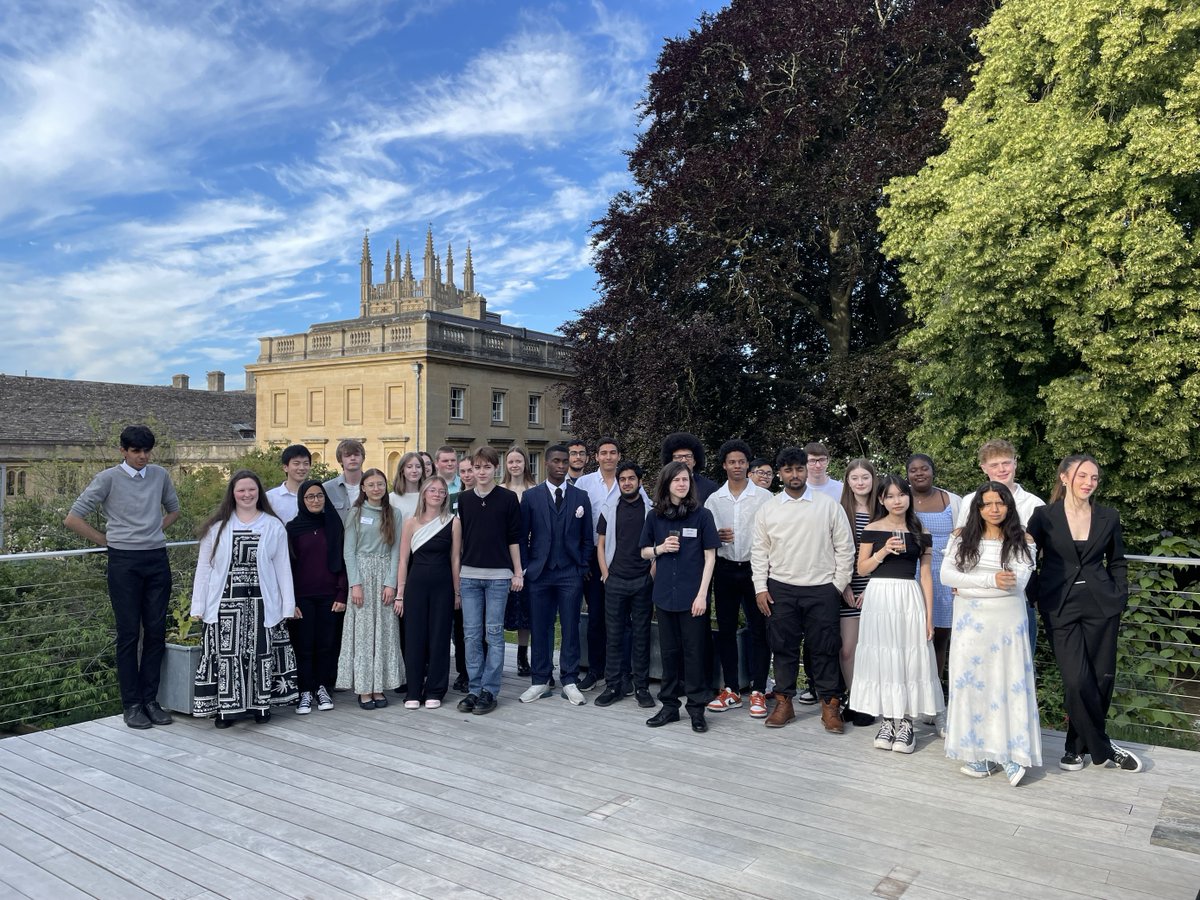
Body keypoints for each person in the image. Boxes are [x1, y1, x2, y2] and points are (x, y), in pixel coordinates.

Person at [1028, 454, 1141, 773]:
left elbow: (1117, 560)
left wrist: (1120, 595)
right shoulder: (1043, 516)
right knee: (1076, 679)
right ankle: (1105, 747)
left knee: (1101, 677)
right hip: (1059, 604)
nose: (1089, 482)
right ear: (1064, 478)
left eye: (1094, 478)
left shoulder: (1109, 516)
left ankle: (1075, 748)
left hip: (1102, 603)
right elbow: (1024, 555)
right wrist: (1034, 592)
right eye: (1082, 476)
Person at [64, 424, 180, 729]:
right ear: (123, 451)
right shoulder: (107, 479)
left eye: (146, 451)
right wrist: (108, 541)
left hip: (156, 559)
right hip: (123, 562)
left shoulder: (160, 476)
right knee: (128, 634)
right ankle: (131, 705)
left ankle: (151, 701)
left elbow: (174, 510)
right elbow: (73, 518)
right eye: (136, 451)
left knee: (156, 632)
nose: (142, 456)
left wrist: (152, 532)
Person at [941, 482, 1040, 785]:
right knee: (974, 684)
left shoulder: (1023, 540)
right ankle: (980, 754)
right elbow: (947, 576)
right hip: (969, 625)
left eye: (1000, 503)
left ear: (1009, 506)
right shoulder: (962, 538)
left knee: (1007, 682)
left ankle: (1011, 754)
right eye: (987, 504)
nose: (994, 509)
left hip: (1007, 625)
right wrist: (991, 580)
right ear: (978, 508)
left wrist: (970, 585)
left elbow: (1016, 583)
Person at [750, 447, 854, 733]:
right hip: (781, 589)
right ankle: (784, 703)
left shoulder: (827, 505)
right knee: (782, 648)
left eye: (799, 469)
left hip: (823, 588)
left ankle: (830, 706)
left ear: (806, 470)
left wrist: (837, 584)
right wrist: (760, 587)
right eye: (788, 470)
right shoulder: (769, 509)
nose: (794, 475)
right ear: (780, 473)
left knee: (825, 649)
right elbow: (760, 551)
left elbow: (845, 548)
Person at [191, 470, 299, 728]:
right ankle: (226, 711)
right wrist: (199, 604)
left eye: (251, 489)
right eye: (241, 490)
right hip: (225, 602)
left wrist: (287, 605)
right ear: (233, 494)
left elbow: (283, 568)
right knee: (227, 656)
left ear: (258, 492)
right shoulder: (217, 528)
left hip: (262, 601)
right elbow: (204, 568)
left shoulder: (273, 526)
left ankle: (260, 706)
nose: (247, 494)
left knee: (260, 653)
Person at [852, 475, 944, 754]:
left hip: (908, 596)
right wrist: (883, 551)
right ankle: (888, 720)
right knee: (883, 655)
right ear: (881, 500)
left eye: (901, 494)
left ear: (909, 497)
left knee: (908, 656)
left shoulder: (920, 530)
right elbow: (862, 569)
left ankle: (906, 722)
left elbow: (926, 575)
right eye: (890, 496)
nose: (896, 500)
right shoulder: (872, 528)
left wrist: (929, 617)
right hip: (879, 597)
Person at [640, 461, 719, 732]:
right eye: (677, 480)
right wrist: (659, 548)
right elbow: (643, 553)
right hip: (664, 595)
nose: (682, 484)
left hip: (692, 597)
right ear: (667, 484)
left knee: (695, 653)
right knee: (669, 653)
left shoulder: (702, 516)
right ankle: (670, 707)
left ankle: (697, 709)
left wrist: (702, 596)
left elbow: (710, 557)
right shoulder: (655, 517)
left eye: (686, 480)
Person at [519, 445, 594, 707]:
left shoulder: (580, 497)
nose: (562, 466)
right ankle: (540, 680)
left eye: (565, 461)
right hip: (539, 573)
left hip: (570, 572)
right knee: (541, 626)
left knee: (571, 626)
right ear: (546, 464)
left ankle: (570, 680)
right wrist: (527, 567)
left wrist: (582, 565)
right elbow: (522, 536)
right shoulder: (531, 497)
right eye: (556, 461)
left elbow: (587, 537)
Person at [955, 439, 1044, 655]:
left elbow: (1038, 553)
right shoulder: (969, 502)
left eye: (1006, 463)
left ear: (1015, 463)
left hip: (1017, 597)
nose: (1001, 470)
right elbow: (959, 544)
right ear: (984, 468)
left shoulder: (1034, 504)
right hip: (976, 596)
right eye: (994, 465)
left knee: (1018, 662)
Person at [704, 439, 772, 718]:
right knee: (727, 630)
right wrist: (717, 536)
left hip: (755, 571)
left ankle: (758, 691)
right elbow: (706, 536)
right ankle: (731, 688)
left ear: (748, 464)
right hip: (725, 568)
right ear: (724, 465)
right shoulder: (714, 499)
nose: (737, 466)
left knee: (760, 629)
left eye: (741, 462)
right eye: (731, 462)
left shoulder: (764, 498)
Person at [457, 447, 523, 715]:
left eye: (486, 467)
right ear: (471, 470)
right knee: (471, 635)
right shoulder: (463, 499)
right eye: (477, 467)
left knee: (493, 634)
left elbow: (514, 538)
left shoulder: (508, 499)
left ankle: (489, 689)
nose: (481, 472)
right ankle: (474, 689)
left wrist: (517, 572)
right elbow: (460, 542)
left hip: (498, 577)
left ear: (496, 468)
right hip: (469, 576)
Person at [576, 437, 644, 692]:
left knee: (623, 620)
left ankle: (624, 673)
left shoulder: (628, 481)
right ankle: (596, 670)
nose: (608, 457)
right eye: (603, 453)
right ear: (596, 457)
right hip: (594, 555)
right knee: (596, 617)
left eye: (612, 453)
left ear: (618, 456)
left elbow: (645, 513)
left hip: (624, 558)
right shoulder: (584, 483)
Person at [337, 468, 403, 709]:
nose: (376, 488)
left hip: (384, 571)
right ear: (363, 488)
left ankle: (379, 686)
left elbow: (396, 551)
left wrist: (390, 583)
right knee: (364, 634)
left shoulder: (393, 513)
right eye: (371, 484)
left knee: (384, 632)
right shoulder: (356, 513)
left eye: (380, 484)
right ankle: (364, 687)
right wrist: (355, 583)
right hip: (362, 575)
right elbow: (349, 551)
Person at [395, 476, 461, 710]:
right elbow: (403, 560)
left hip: (443, 585)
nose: (436, 494)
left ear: (446, 496)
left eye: (441, 491)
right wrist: (400, 594)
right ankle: (413, 689)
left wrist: (456, 592)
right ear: (424, 493)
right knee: (414, 637)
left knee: (439, 637)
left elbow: (455, 558)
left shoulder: (452, 522)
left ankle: (435, 689)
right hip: (416, 586)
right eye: (432, 490)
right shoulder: (410, 523)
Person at [595, 460, 654, 708]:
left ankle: (641, 687)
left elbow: (658, 545)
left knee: (641, 636)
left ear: (639, 481)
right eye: (623, 479)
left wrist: (652, 573)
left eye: (631, 478)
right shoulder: (609, 507)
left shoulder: (652, 510)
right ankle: (613, 685)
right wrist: (606, 574)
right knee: (614, 636)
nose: (627, 483)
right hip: (615, 580)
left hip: (642, 580)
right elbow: (600, 544)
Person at [285, 479, 348, 715]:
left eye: (319, 496)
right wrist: (290, 601)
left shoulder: (334, 525)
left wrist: (342, 593)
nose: (315, 500)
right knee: (303, 645)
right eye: (310, 497)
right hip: (301, 599)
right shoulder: (292, 528)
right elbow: (286, 567)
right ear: (302, 500)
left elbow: (343, 561)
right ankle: (304, 691)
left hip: (330, 596)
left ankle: (322, 688)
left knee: (326, 644)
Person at [907, 453, 962, 690]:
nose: (919, 473)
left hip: (944, 576)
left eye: (924, 469)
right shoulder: (900, 498)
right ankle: (910, 693)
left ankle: (934, 693)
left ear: (932, 471)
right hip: (911, 573)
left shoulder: (951, 501)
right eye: (914, 470)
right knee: (910, 638)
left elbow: (963, 540)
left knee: (939, 638)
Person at [835, 458, 880, 727]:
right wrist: (844, 586)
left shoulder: (883, 511)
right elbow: (833, 551)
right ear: (847, 482)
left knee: (874, 649)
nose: (860, 482)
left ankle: (872, 701)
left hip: (877, 587)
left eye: (865, 477)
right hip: (848, 587)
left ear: (873, 480)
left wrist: (873, 587)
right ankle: (855, 698)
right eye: (855, 478)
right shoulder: (840, 511)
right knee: (848, 650)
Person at [501, 446, 537, 676]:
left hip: (529, 552)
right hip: (502, 552)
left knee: (526, 607)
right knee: (501, 606)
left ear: (525, 464)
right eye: (511, 461)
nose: (515, 465)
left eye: (519, 461)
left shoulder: (535, 490)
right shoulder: (500, 490)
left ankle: (523, 656)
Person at [661, 432, 719, 503]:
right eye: (678, 457)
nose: (684, 460)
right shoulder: (664, 485)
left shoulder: (709, 487)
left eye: (688, 456)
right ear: (670, 461)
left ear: (695, 461)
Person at [266, 444, 312, 524]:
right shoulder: (270, 498)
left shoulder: (316, 496)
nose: (302, 468)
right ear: (285, 467)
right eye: (296, 463)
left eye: (306, 463)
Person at [323, 439, 366, 521]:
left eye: (356, 455)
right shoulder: (327, 489)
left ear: (363, 458)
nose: (353, 458)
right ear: (340, 460)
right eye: (348, 455)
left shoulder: (374, 487)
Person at [389, 451, 425, 520]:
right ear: (402, 470)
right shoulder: (392, 498)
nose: (414, 470)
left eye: (418, 467)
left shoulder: (427, 496)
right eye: (409, 467)